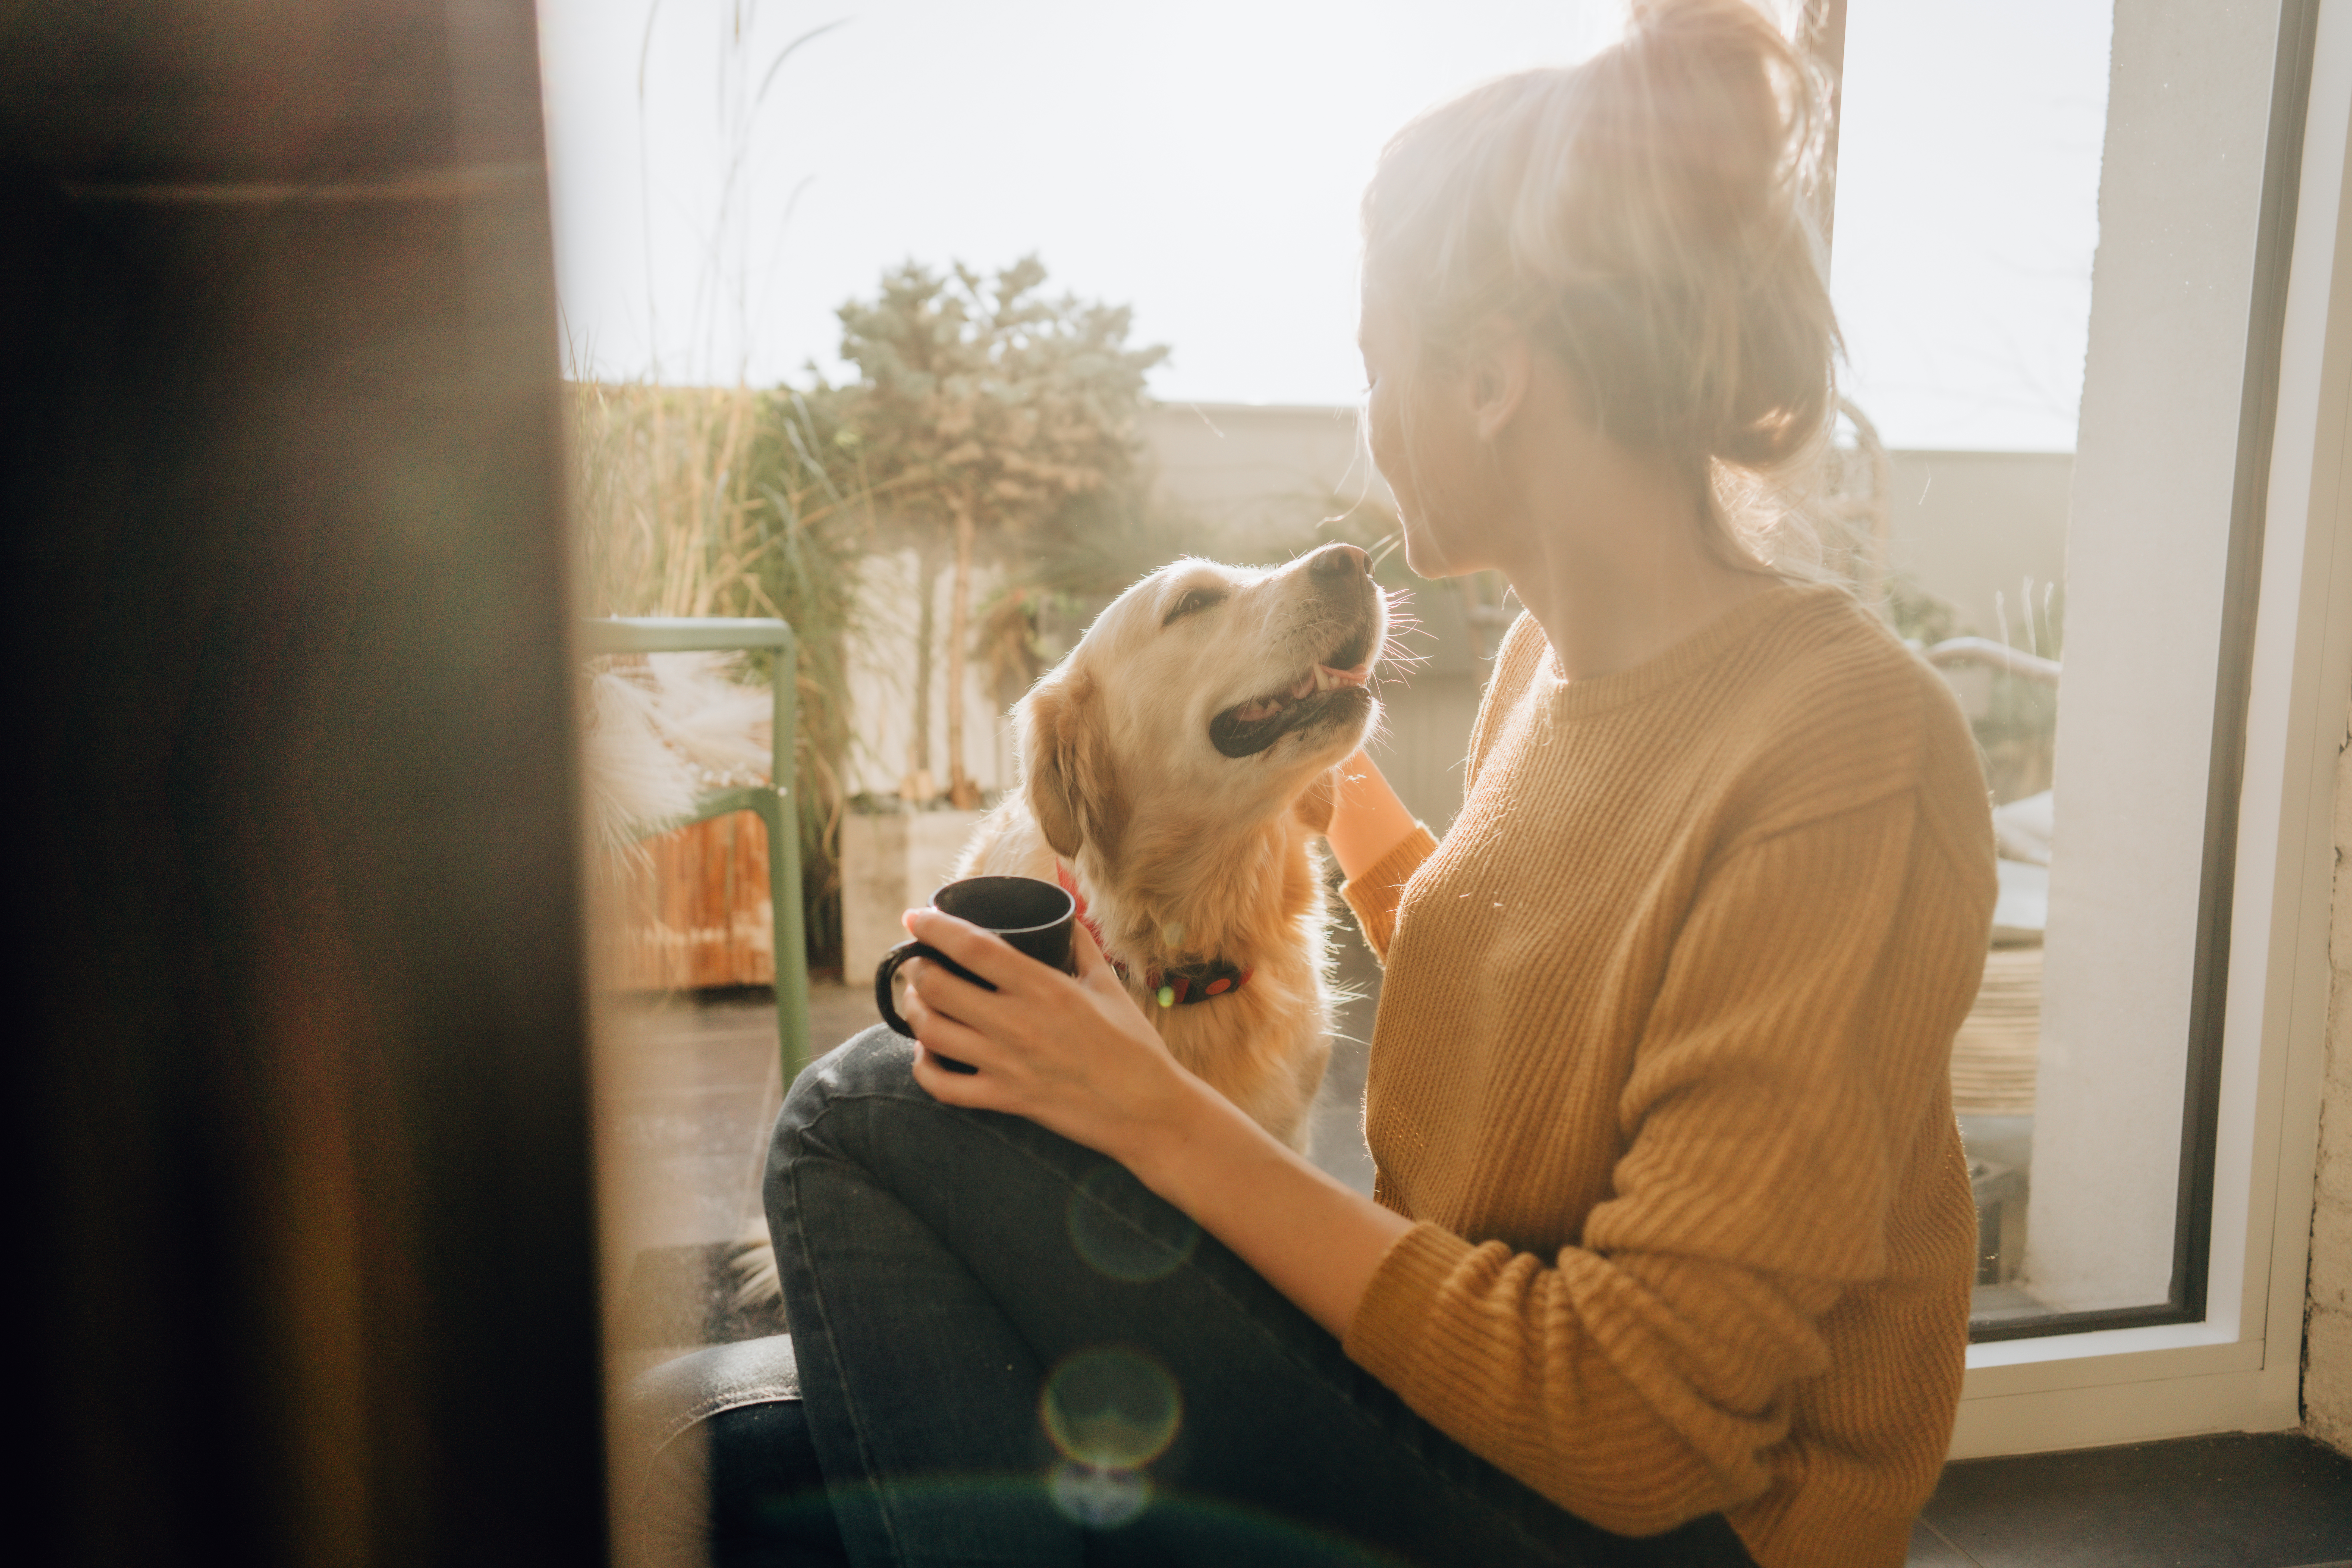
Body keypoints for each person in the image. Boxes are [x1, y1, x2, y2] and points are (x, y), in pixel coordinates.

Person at [624, 2, 1994, 1563]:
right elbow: (1559, 1000)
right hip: (1456, 1402)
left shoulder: (1846, 748)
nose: (1368, 420)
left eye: (1371, 362)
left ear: (1487, 377)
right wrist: (1310, 801)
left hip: (1655, 1522)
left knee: (853, 1115)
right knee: (694, 1434)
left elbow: (1633, 1420)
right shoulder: (1555, 670)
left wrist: (1145, 1106)